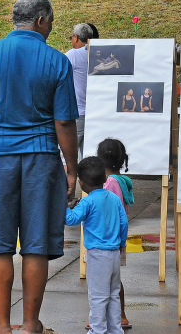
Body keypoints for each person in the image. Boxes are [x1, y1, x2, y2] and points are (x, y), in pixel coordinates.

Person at [0, 0, 78, 334]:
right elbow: (64, 122)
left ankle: (0, 326)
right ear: (40, 20)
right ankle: (31, 325)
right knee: (36, 246)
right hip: (42, 160)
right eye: (50, 22)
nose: (51, 28)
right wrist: (71, 169)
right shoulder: (57, 61)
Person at [65, 156, 129, 334]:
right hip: (114, 254)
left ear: (81, 182)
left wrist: (64, 204)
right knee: (113, 294)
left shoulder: (88, 201)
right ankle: (115, 330)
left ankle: (97, 330)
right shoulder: (114, 199)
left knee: (98, 297)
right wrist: (121, 243)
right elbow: (124, 223)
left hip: (97, 255)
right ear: (105, 178)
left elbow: (71, 219)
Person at [96, 138, 133, 330]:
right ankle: (120, 316)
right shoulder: (121, 180)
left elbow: (106, 209)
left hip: (106, 239)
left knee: (102, 281)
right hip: (117, 238)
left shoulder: (109, 183)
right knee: (114, 279)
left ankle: (104, 318)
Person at [65, 23, 95, 159]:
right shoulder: (95, 53)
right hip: (94, 111)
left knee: (68, 152)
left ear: (76, 37)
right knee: (86, 152)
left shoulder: (73, 55)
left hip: (78, 112)